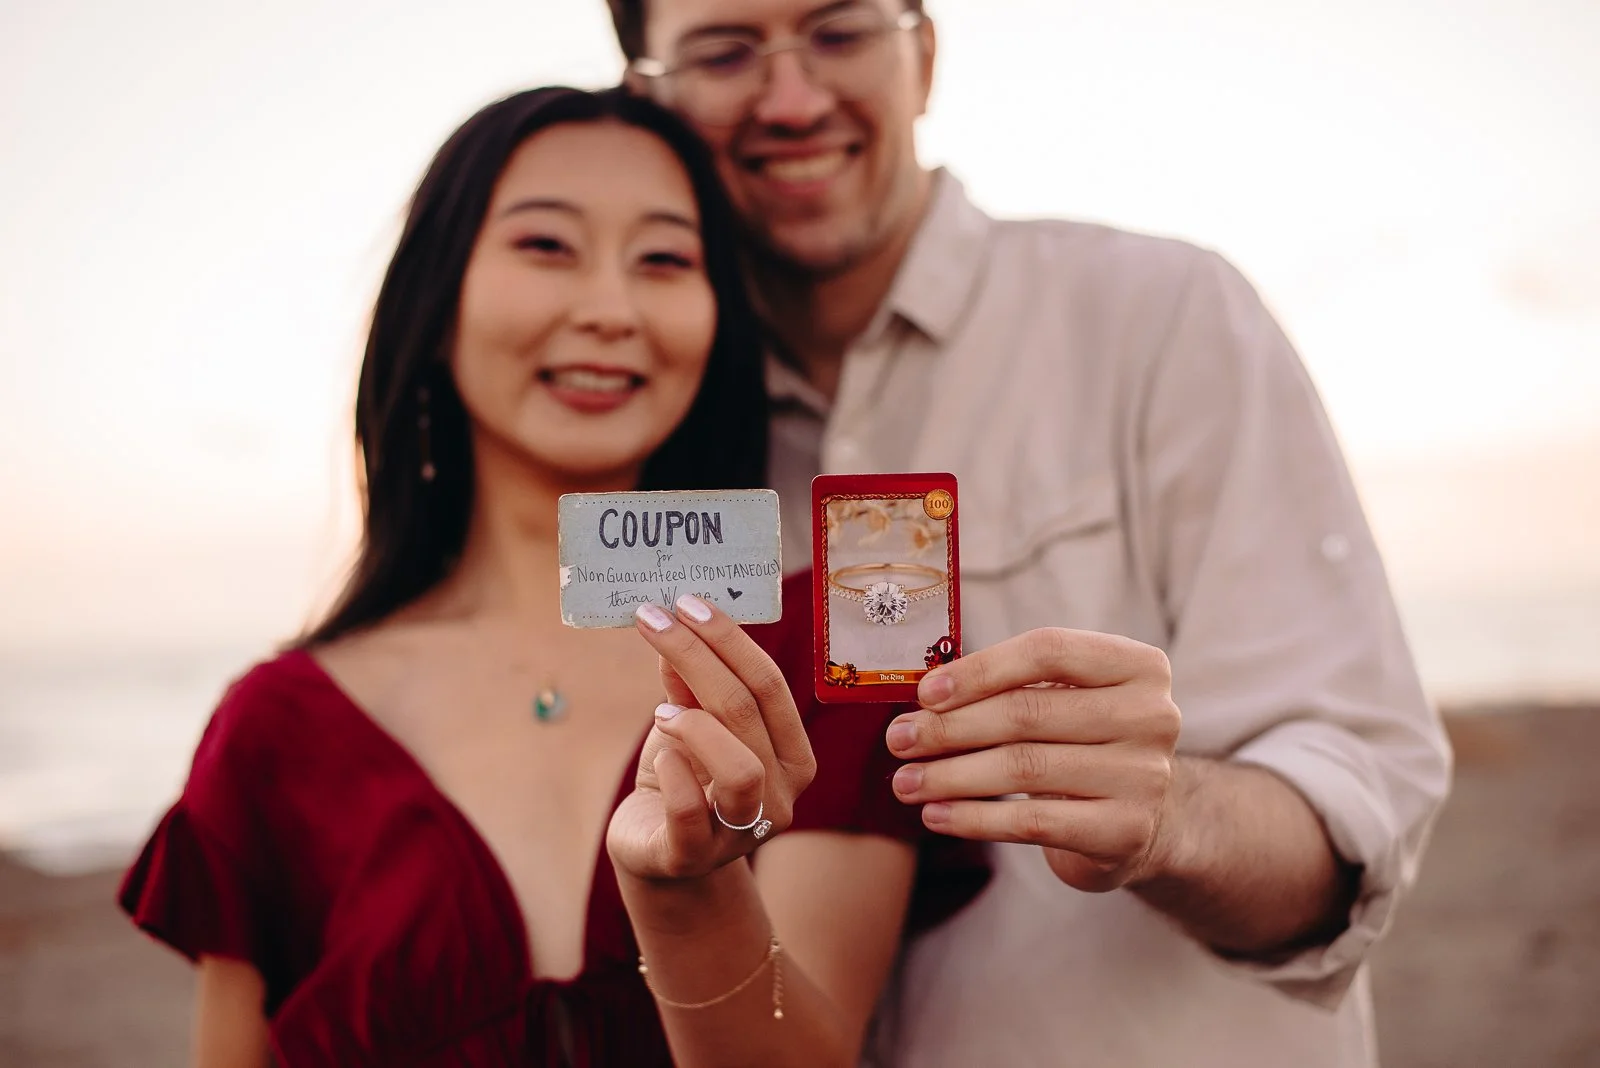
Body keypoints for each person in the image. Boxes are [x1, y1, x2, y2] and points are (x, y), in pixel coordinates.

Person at [606, 2, 1455, 1065]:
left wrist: (1167, 817)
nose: (791, 98)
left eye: (839, 30)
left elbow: (1355, 818)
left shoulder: (1164, 316)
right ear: (651, 101)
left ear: (923, 55)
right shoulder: (641, 435)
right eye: (726, 50)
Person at [117, 85, 984, 1066]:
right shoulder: (275, 729)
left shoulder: (828, 648)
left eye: (662, 259)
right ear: (436, 299)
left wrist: (691, 896)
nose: (610, 310)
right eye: (545, 246)